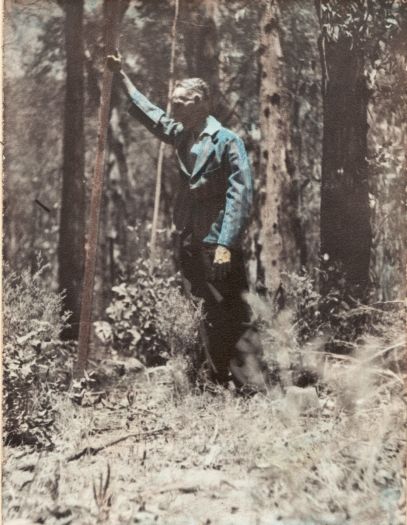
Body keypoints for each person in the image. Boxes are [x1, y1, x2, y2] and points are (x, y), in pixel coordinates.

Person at [107, 53, 269, 392]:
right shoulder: (183, 135)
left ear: (199, 103)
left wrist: (226, 245)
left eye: (179, 103)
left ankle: (253, 386)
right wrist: (122, 77)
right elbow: (153, 117)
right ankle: (217, 378)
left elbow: (240, 197)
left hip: (218, 241)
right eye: (173, 104)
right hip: (192, 241)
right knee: (208, 310)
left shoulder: (227, 141)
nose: (173, 109)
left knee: (235, 309)